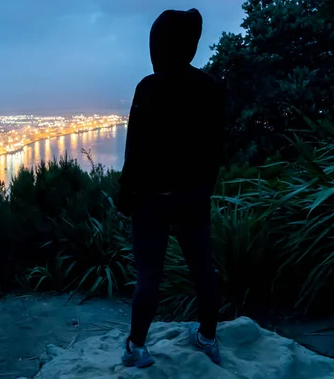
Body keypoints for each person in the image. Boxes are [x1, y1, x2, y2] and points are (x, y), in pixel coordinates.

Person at [117, 8, 226, 368]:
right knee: (202, 270)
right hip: (194, 197)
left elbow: (135, 152)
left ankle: (137, 347)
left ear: (160, 46)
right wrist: (202, 189)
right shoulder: (210, 88)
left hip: (153, 200)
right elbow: (215, 149)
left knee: (149, 276)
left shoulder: (149, 88)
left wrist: (127, 196)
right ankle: (208, 337)